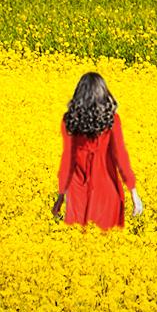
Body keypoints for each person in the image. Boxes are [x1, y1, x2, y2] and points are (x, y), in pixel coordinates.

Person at [50, 70, 142, 228]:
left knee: (78, 243)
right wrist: (133, 191)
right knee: (106, 244)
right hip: (106, 189)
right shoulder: (112, 119)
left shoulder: (69, 120)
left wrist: (61, 195)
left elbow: (68, 160)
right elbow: (120, 156)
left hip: (78, 191)